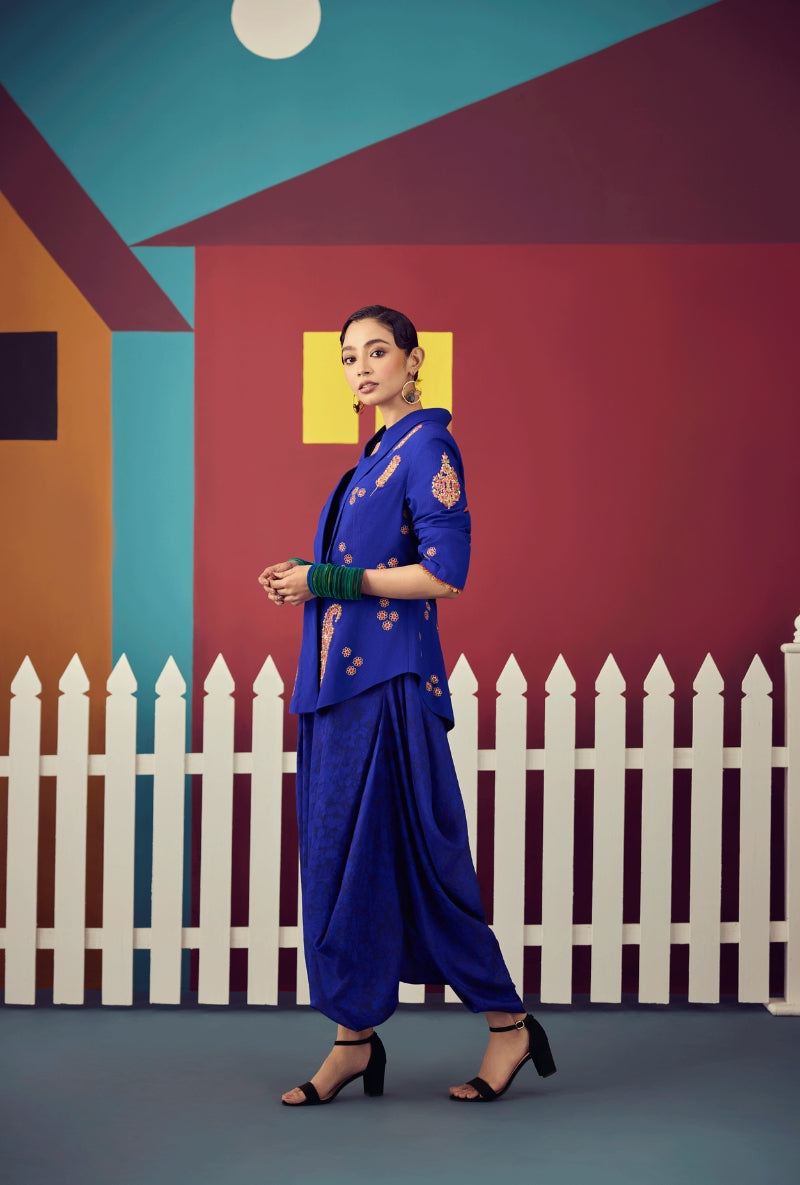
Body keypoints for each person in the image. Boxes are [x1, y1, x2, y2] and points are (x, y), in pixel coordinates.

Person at [259, 305, 556, 1105]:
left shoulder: (428, 447)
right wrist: (306, 577)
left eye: (377, 352)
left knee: (424, 858)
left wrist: (328, 579)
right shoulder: (374, 458)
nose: (360, 368)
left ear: (413, 360)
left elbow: (444, 574)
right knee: (335, 861)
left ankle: (509, 1025)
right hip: (336, 688)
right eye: (348, 356)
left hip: (389, 687)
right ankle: (352, 1040)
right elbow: (356, 571)